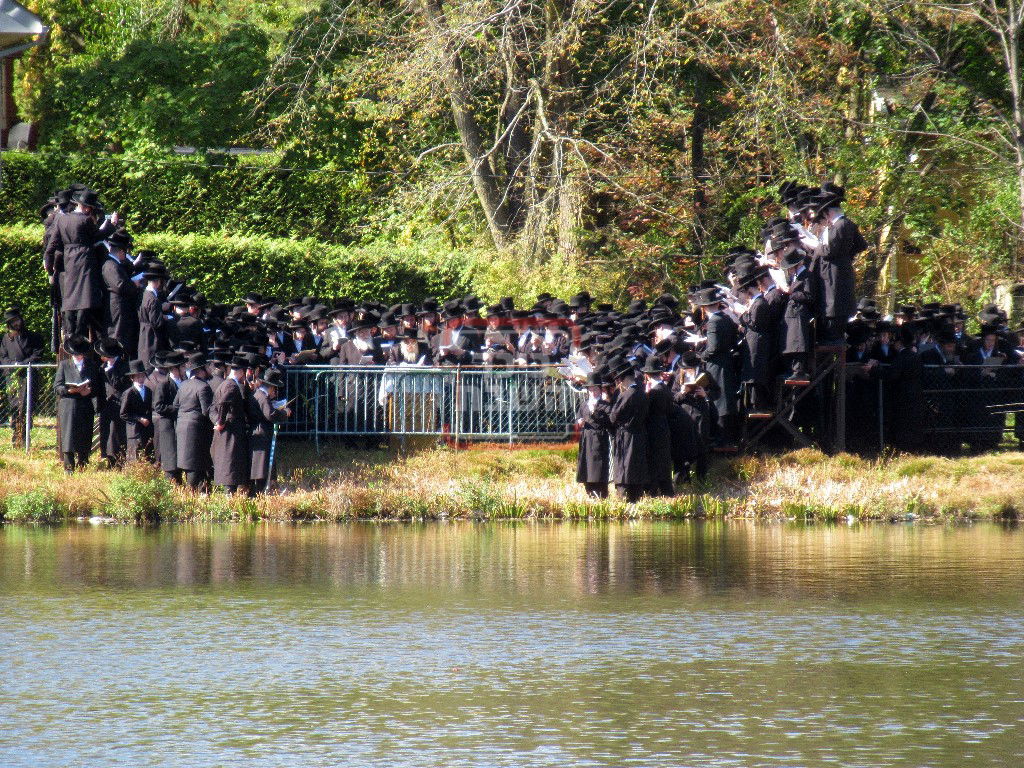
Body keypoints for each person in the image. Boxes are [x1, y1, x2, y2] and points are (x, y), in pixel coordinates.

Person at [43, 188, 117, 337]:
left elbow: (51, 245)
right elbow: (96, 236)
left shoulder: (61, 219)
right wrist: (112, 225)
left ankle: (70, 332)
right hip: (85, 261)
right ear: (88, 208)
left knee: (70, 297)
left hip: (69, 262)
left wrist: (49, 264)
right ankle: (78, 333)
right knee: (85, 298)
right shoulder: (85, 220)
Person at [811, 183, 866, 344]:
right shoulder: (847, 224)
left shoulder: (840, 225)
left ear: (827, 212)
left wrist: (815, 245)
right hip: (836, 280)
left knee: (832, 332)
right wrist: (845, 256)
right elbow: (861, 245)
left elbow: (829, 250)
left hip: (834, 283)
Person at [54, 335, 100, 472]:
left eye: (80, 354)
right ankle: (69, 467)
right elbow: (57, 387)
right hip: (69, 405)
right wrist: (69, 390)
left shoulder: (91, 365)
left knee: (85, 434)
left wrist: (89, 391)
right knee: (68, 436)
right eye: (76, 354)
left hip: (85, 405)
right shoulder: (64, 365)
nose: (78, 356)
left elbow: (97, 386)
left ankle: (83, 464)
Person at [0, 309, 43, 448]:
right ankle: (16, 435)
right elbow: (3, 356)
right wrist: (13, 365)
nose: (16, 323)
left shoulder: (33, 337)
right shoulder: (6, 339)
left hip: (28, 377)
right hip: (13, 377)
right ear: (9, 324)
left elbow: (37, 354)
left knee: (26, 407)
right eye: (13, 322)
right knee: (14, 406)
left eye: (17, 320)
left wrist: (24, 364)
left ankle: (25, 436)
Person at [608, 361, 649, 502]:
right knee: (635, 467)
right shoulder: (641, 391)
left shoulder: (627, 394)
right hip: (639, 433)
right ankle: (636, 497)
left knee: (624, 467)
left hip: (626, 435)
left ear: (623, 379)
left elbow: (613, 416)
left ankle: (624, 498)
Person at [210, 356, 252, 493]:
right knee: (230, 462)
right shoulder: (231, 385)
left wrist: (217, 420)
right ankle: (229, 494)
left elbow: (213, 407)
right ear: (241, 371)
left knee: (229, 462)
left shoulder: (225, 384)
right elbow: (224, 403)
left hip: (229, 429)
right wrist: (221, 422)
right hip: (231, 431)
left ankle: (230, 493)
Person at [174, 352, 214, 490]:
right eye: (207, 367)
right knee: (195, 464)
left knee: (187, 464)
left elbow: (175, 405)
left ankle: (190, 491)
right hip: (196, 430)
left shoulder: (183, 385)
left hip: (181, 426)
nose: (209, 369)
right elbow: (206, 411)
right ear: (201, 370)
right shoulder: (203, 387)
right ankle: (193, 492)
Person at [249, 369, 292, 494]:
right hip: (261, 433)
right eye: (274, 388)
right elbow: (270, 414)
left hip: (259, 432)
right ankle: (260, 490)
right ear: (271, 387)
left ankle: (262, 488)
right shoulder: (262, 397)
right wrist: (284, 413)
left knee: (262, 462)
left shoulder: (259, 394)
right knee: (262, 464)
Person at [101, 229, 142, 354]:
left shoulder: (116, 264)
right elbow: (119, 285)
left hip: (121, 305)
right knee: (118, 333)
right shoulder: (110, 265)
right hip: (117, 305)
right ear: (121, 251)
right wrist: (134, 284)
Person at [642, 357, 675, 497]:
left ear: (647, 375)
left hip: (652, 429)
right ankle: (667, 490)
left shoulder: (653, 392)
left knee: (654, 460)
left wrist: (646, 395)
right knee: (664, 460)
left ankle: (653, 491)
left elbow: (645, 411)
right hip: (664, 426)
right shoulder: (666, 388)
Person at [575, 372, 611, 499]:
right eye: (590, 390)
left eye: (595, 389)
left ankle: (601, 492)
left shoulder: (605, 405)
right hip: (587, 438)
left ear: (600, 390)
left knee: (598, 466)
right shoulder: (584, 405)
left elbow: (609, 421)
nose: (593, 392)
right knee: (586, 465)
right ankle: (589, 490)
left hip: (599, 438)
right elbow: (578, 418)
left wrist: (595, 412)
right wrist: (579, 422)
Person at [95, 337, 129, 467]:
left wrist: (110, 370)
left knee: (117, 434)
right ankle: (108, 459)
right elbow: (100, 387)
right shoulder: (102, 367)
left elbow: (117, 383)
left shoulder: (124, 366)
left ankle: (119, 461)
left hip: (120, 404)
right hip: (106, 405)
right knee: (106, 432)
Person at [152, 350, 185, 482]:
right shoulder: (164, 384)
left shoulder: (184, 381)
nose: (184, 369)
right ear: (175, 369)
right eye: (182, 366)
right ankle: (171, 482)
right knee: (171, 458)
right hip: (168, 426)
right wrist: (176, 409)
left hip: (180, 425)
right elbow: (158, 406)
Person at [120, 359, 154, 463]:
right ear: (132, 378)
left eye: (142, 376)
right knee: (135, 457)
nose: (141, 379)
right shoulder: (129, 393)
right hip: (134, 431)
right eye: (138, 376)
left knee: (148, 455)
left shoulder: (148, 391)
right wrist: (139, 419)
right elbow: (123, 414)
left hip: (146, 429)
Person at [138, 265, 169, 367]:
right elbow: (156, 322)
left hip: (144, 333)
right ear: (158, 281)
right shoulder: (153, 299)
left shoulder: (145, 294)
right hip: (151, 337)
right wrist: (165, 317)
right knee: (151, 362)